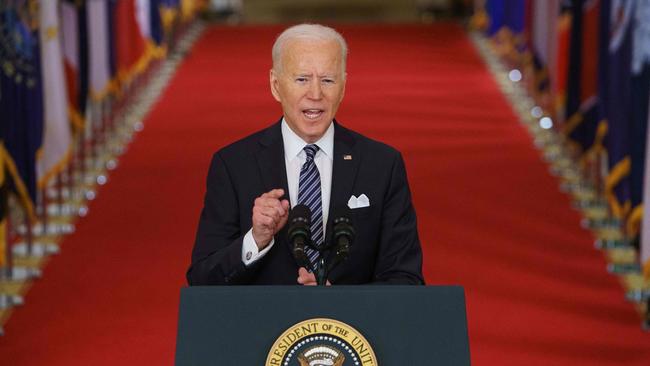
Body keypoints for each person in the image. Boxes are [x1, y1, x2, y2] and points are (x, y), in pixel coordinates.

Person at [187, 24, 424, 285]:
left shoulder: (382, 165)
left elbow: (406, 277)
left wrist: (345, 303)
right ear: (275, 86)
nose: (315, 94)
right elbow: (202, 279)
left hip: (352, 326)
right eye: (302, 79)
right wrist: (256, 239)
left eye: (327, 80)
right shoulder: (233, 165)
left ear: (343, 87)